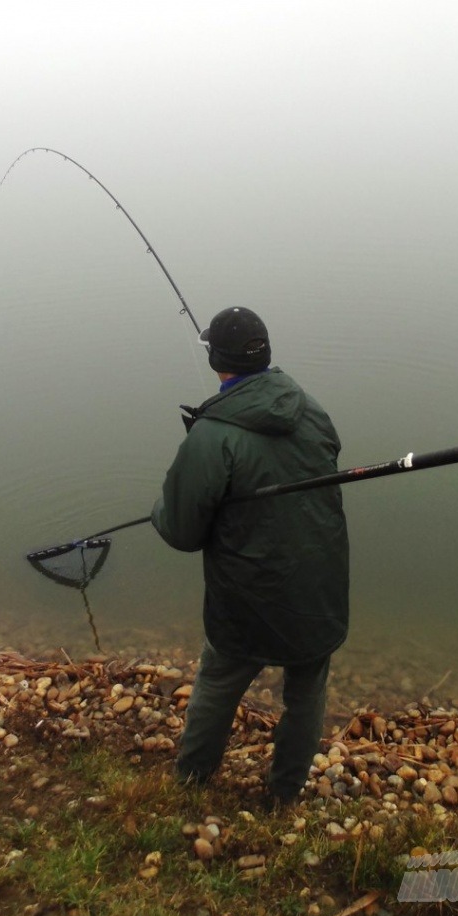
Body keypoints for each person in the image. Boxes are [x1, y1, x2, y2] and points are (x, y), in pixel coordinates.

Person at [151, 306, 349, 804]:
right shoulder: (312, 409)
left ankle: (192, 782)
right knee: (306, 692)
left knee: (219, 680)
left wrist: (159, 507)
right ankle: (284, 796)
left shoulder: (211, 435)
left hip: (248, 598)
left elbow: (180, 530)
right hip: (320, 588)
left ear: (218, 360)